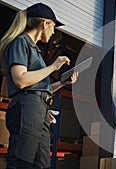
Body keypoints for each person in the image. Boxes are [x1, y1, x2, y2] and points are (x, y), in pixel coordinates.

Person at [0, 3, 78, 169]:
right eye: (54, 28)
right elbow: (21, 80)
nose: (53, 33)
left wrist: (62, 83)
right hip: (27, 107)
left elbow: (40, 87)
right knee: (22, 162)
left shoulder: (35, 51)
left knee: (42, 164)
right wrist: (53, 67)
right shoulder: (21, 42)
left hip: (39, 110)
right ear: (45, 24)